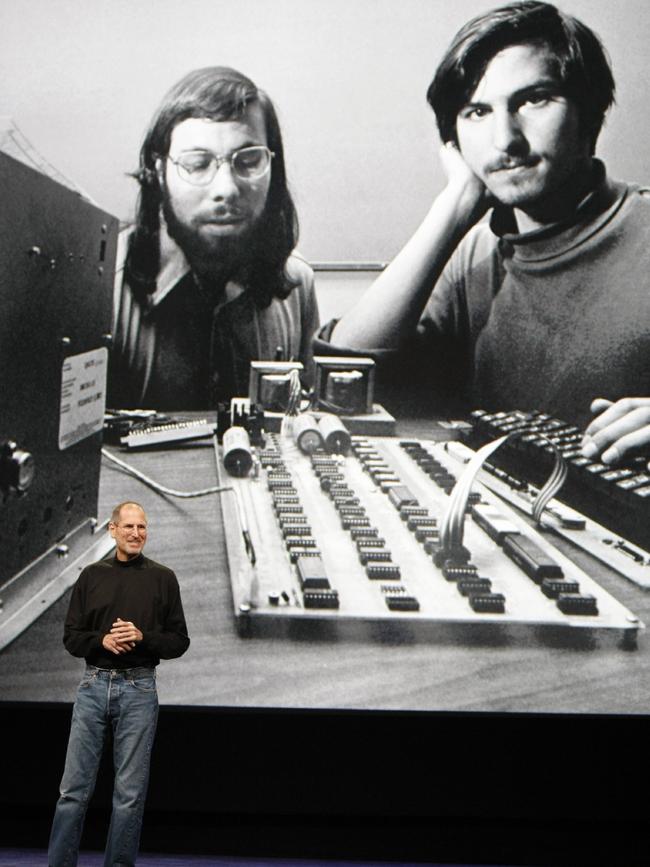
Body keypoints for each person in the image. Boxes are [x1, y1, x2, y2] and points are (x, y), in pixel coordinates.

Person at [322, 1, 650, 466]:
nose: (504, 140)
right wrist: (454, 207)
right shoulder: (475, 254)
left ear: (589, 114)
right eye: (476, 111)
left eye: (534, 99)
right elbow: (344, 377)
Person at [109, 66, 319, 411]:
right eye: (197, 164)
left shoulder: (298, 286)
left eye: (249, 161)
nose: (226, 189)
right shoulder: (100, 291)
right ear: (159, 172)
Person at [48, 501, 190, 867]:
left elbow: (179, 641)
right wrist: (101, 642)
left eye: (142, 527)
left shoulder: (163, 578)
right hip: (94, 685)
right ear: (112, 530)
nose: (136, 534)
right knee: (72, 791)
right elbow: (71, 637)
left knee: (129, 795)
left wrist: (142, 637)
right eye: (128, 527)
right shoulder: (91, 576)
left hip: (139, 689)